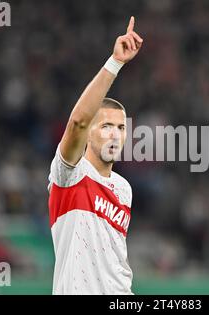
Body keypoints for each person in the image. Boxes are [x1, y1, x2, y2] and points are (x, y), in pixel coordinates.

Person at [47, 16, 143, 295]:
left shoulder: (124, 189)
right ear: (89, 132)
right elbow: (77, 121)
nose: (115, 134)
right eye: (106, 126)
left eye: (121, 127)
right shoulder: (69, 174)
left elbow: (114, 263)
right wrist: (115, 63)